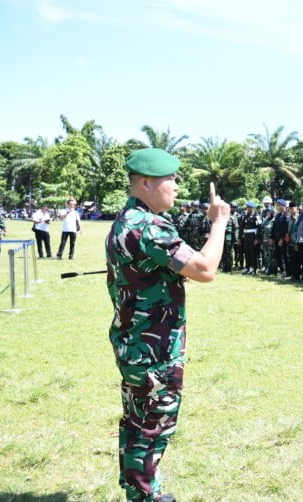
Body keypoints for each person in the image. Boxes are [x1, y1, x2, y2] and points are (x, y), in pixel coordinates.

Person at [105, 148, 230, 502]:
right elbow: (205, 270)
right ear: (145, 182)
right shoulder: (148, 226)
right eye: (169, 179)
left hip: (136, 342)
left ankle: (139, 490)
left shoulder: (127, 220)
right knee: (152, 425)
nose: (175, 186)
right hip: (154, 347)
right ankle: (145, 497)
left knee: (137, 424)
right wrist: (219, 222)